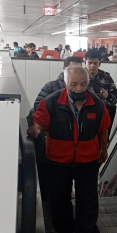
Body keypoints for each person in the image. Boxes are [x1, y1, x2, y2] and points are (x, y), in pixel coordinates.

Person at [28, 66, 110, 233]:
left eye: (83, 84)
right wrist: (36, 129)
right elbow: (39, 121)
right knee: (59, 198)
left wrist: (104, 150)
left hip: (88, 160)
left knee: (88, 199)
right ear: (65, 84)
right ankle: (64, 231)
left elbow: (103, 128)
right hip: (58, 160)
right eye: (73, 84)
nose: (79, 89)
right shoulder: (51, 102)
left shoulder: (97, 103)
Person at [27, 56, 85, 201]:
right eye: (73, 69)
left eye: (80, 69)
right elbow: (38, 110)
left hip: (80, 151)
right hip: (55, 148)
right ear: (64, 70)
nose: (77, 73)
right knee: (56, 188)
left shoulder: (85, 90)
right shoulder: (51, 87)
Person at [85, 49, 117, 128]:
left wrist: (108, 96)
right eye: (90, 63)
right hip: (84, 114)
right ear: (85, 62)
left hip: (103, 115)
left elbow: (115, 99)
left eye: (95, 63)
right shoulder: (80, 76)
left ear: (99, 63)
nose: (92, 66)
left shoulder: (106, 77)